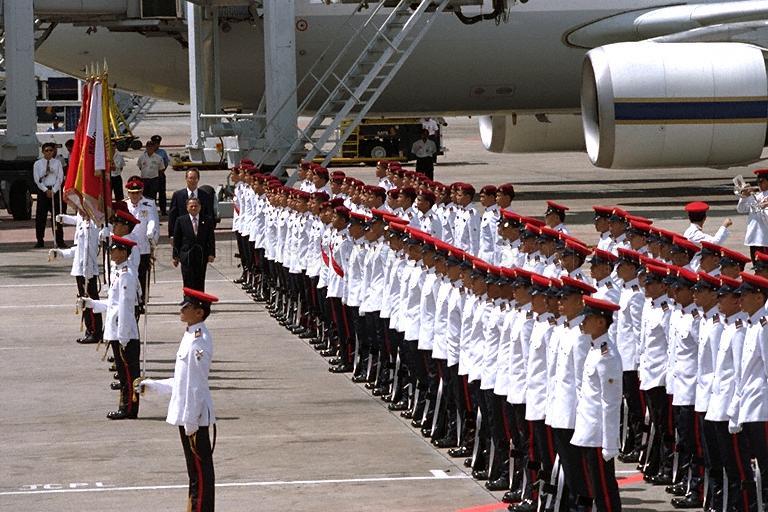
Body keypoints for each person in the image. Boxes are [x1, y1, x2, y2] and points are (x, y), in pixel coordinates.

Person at [137, 288, 218, 512]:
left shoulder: (198, 341)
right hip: (187, 414)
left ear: (199, 313)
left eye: (187, 306)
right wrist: (154, 386)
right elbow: (182, 380)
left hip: (194, 416)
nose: (181, 309)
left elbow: (195, 385)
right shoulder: (190, 335)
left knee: (200, 476)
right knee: (194, 473)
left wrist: (191, 421)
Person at [80, 235, 141, 420]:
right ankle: (125, 406)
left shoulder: (127, 276)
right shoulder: (118, 272)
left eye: (114, 249)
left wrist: (122, 336)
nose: (111, 252)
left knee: (129, 374)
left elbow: (124, 307)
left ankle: (129, 408)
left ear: (124, 252)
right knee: (123, 373)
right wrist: (92, 304)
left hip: (125, 333)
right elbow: (113, 305)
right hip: (117, 331)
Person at [573, 295, 623, 512]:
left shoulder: (607, 355)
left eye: (588, 318)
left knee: (604, 491)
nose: (582, 322)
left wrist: (609, 443)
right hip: (588, 431)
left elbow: (610, 403)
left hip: (598, 435)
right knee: (595, 488)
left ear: (601, 322)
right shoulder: (594, 349)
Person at [173, 197, 216, 292]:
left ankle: (199, 302)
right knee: (188, 280)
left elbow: (211, 239)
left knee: (200, 280)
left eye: (196, 206)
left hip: (201, 256)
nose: (193, 208)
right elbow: (177, 240)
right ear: (187, 207)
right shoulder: (181, 220)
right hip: (186, 256)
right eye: (191, 206)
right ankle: (188, 301)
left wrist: (211, 254)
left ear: (200, 207)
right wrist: (175, 256)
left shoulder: (207, 220)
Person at [33, 142, 66, 248]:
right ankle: (40, 240)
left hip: (54, 191)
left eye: (51, 150)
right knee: (40, 217)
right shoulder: (38, 164)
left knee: (57, 217)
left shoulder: (57, 163)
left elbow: (60, 178)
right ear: (43, 152)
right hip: (43, 191)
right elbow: (37, 179)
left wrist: (54, 190)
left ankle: (59, 240)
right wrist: (45, 190)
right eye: (46, 150)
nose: (48, 152)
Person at [168, 168, 213, 237]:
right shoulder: (178, 195)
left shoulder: (205, 196)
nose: (192, 181)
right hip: (182, 233)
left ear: (198, 179)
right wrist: (172, 234)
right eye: (190, 178)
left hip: (200, 234)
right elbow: (172, 216)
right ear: (186, 179)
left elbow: (209, 215)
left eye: (195, 178)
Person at [736, 169, 768, 262]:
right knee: (757, 269)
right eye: (757, 181)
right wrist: (744, 196)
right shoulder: (757, 196)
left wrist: (761, 205)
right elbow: (741, 209)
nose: (759, 184)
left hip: (764, 240)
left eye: (761, 181)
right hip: (754, 239)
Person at [151, 134, 170, 215]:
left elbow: (166, 162)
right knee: (152, 194)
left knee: (162, 194)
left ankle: (163, 210)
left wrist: (162, 170)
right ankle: (153, 211)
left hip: (160, 175)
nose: (157, 145)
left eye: (158, 143)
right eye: (155, 143)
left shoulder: (162, 152)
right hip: (151, 176)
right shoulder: (148, 152)